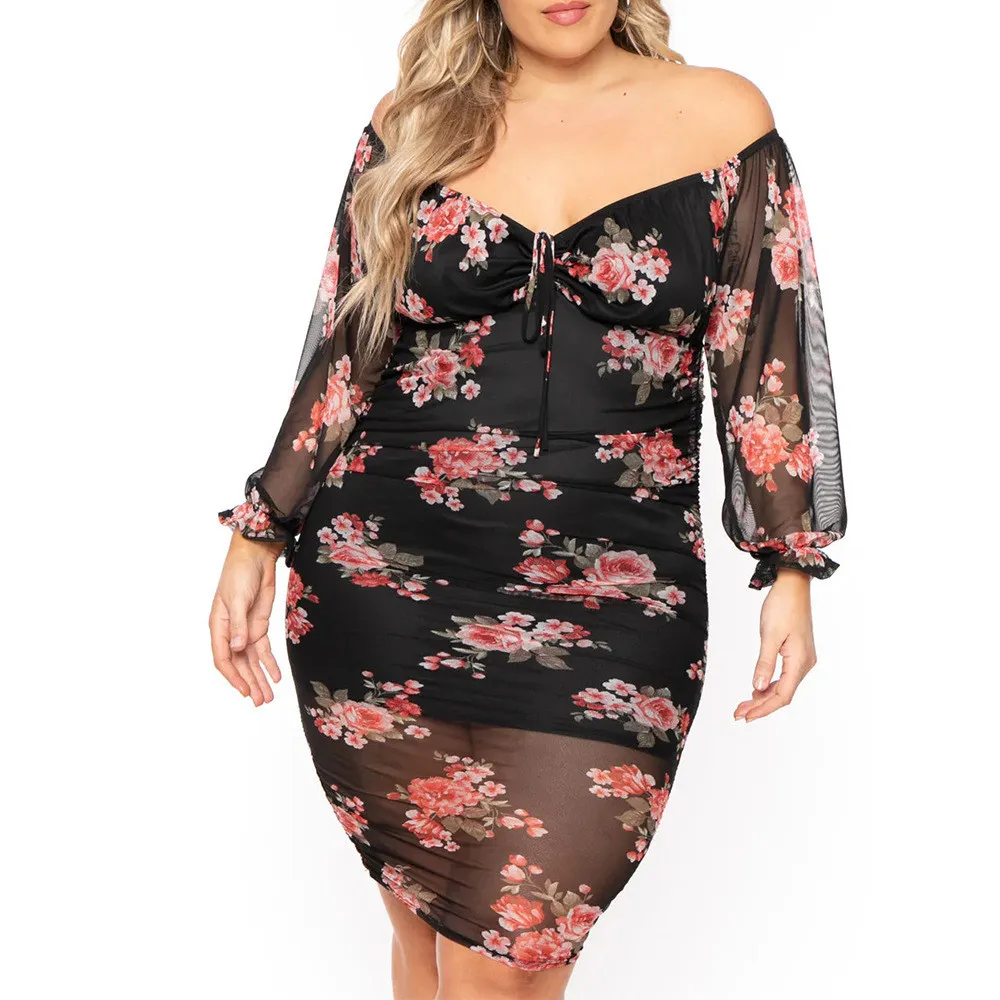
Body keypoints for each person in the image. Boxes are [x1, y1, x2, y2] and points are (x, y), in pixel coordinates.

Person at [209, 2, 847, 997]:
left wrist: (790, 564)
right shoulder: (415, 121)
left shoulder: (723, 120)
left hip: (619, 595)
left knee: (511, 953)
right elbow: (347, 347)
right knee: (432, 941)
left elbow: (764, 356)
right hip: (383, 584)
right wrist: (259, 534)